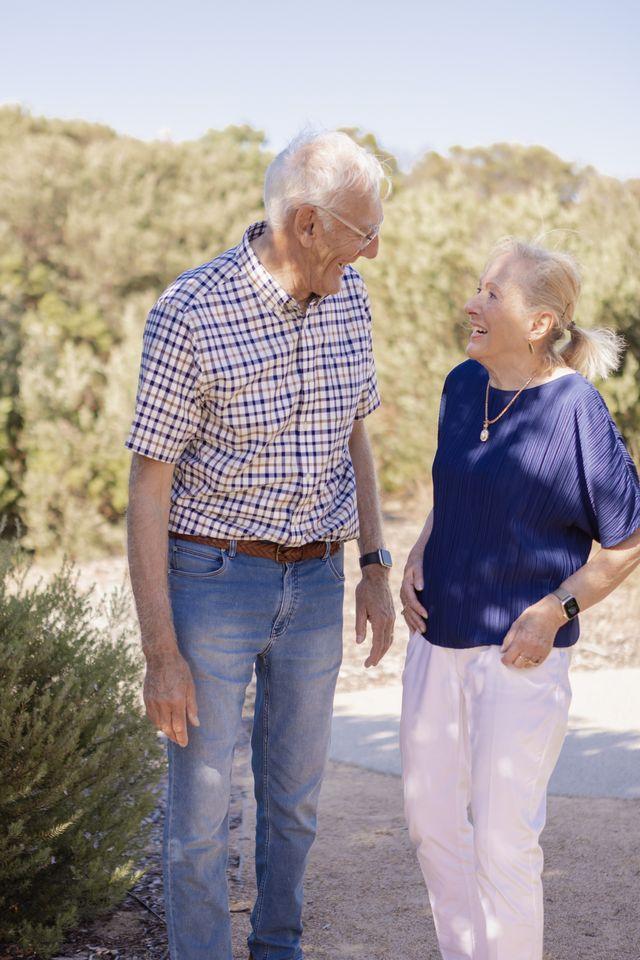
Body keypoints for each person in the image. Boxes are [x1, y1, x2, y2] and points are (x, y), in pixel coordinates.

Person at [124, 130, 395, 960]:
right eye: (363, 233)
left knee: (296, 804)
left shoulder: (348, 297)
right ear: (307, 223)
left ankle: (279, 949)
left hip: (317, 581)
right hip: (211, 582)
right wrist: (160, 651)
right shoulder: (190, 310)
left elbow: (357, 436)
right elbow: (148, 485)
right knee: (201, 816)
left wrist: (375, 564)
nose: (374, 252)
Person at [399, 237, 640, 960]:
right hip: (435, 644)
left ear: (538, 323)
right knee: (432, 827)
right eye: (477, 287)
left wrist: (555, 609)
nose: (471, 303)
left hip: (518, 661)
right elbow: (457, 487)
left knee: (503, 843)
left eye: (492, 294)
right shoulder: (459, 385)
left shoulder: (575, 408)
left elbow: (627, 541)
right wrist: (420, 547)